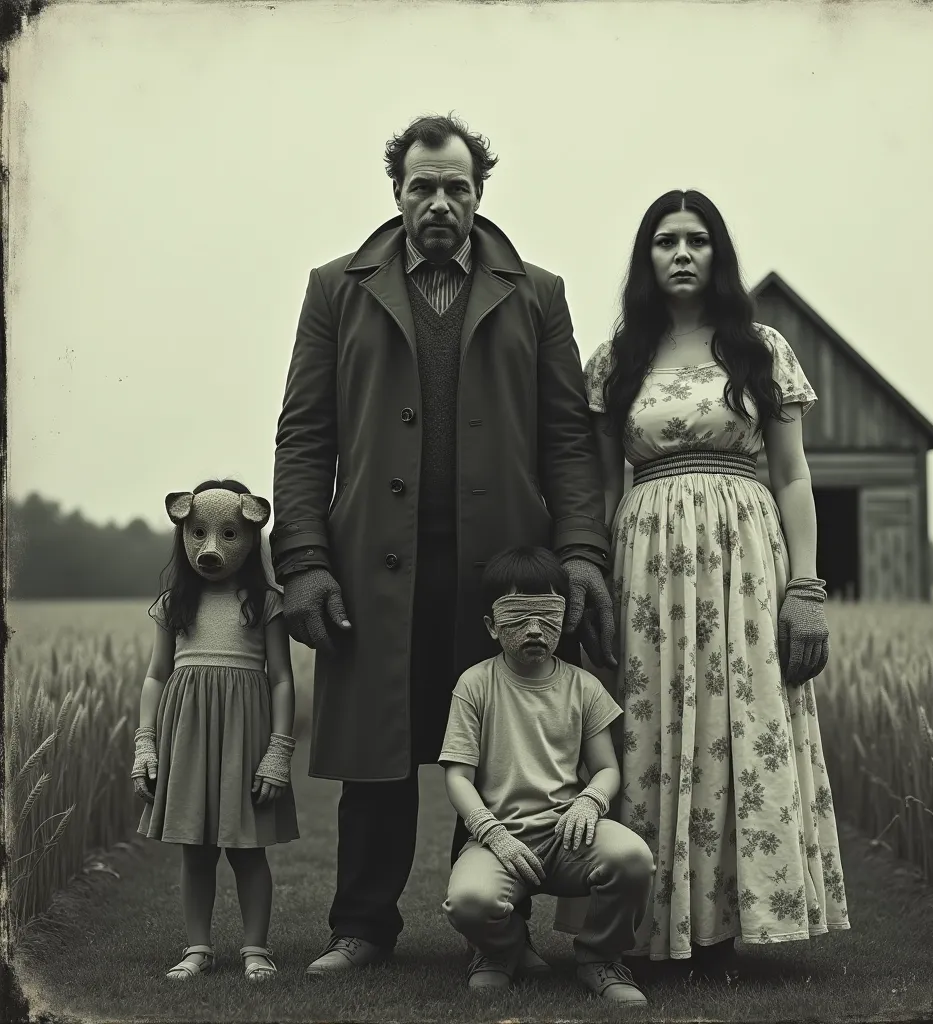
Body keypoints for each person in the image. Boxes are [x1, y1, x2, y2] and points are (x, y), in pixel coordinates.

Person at [269, 112, 617, 978]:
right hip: (369, 569)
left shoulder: (537, 292)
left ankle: (492, 932)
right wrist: (305, 562)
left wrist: (579, 552)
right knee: (376, 759)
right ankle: (362, 928)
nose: (438, 202)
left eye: (456, 187)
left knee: (505, 755)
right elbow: (305, 437)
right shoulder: (334, 288)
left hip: (503, 574)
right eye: (422, 185)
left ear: (479, 195)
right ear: (396, 193)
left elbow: (569, 440)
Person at [553, 189, 850, 974]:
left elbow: (791, 476)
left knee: (740, 723)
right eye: (664, 241)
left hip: (746, 561)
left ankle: (731, 926)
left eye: (697, 240)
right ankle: (648, 928)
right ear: (645, 257)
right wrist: (601, 584)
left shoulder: (759, 349)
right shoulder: (617, 361)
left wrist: (806, 587)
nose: (681, 253)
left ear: (718, 253)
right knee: (650, 726)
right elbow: (606, 487)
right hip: (646, 562)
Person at [440, 546, 655, 1003]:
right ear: (491, 625)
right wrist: (490, 833)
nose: (534, 629)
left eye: (547, 615)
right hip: (499, 838)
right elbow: (457, 776)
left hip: (569, 834)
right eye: (518, 616)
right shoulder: (474, 685)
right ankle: (502, 950)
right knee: (468, 902)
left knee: (632, 858)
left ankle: (600, 958)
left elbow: (606, 769)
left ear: (564, 618)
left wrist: (591, 801)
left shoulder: (584, 686)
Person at [132, 479, 299, 982]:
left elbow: (283, 679)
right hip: (185, 732)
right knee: (196, 849)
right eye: (199, 532)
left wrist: (279, 750)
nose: (211, 546)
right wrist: (145, 741)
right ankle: (197, 948)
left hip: (245, 733)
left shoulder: (265, 602)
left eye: (228, 533)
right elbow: (156, 674)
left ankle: (255, 949)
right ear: (183, 534)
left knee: (247, 848)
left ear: (249, 538)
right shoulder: (172, 604)